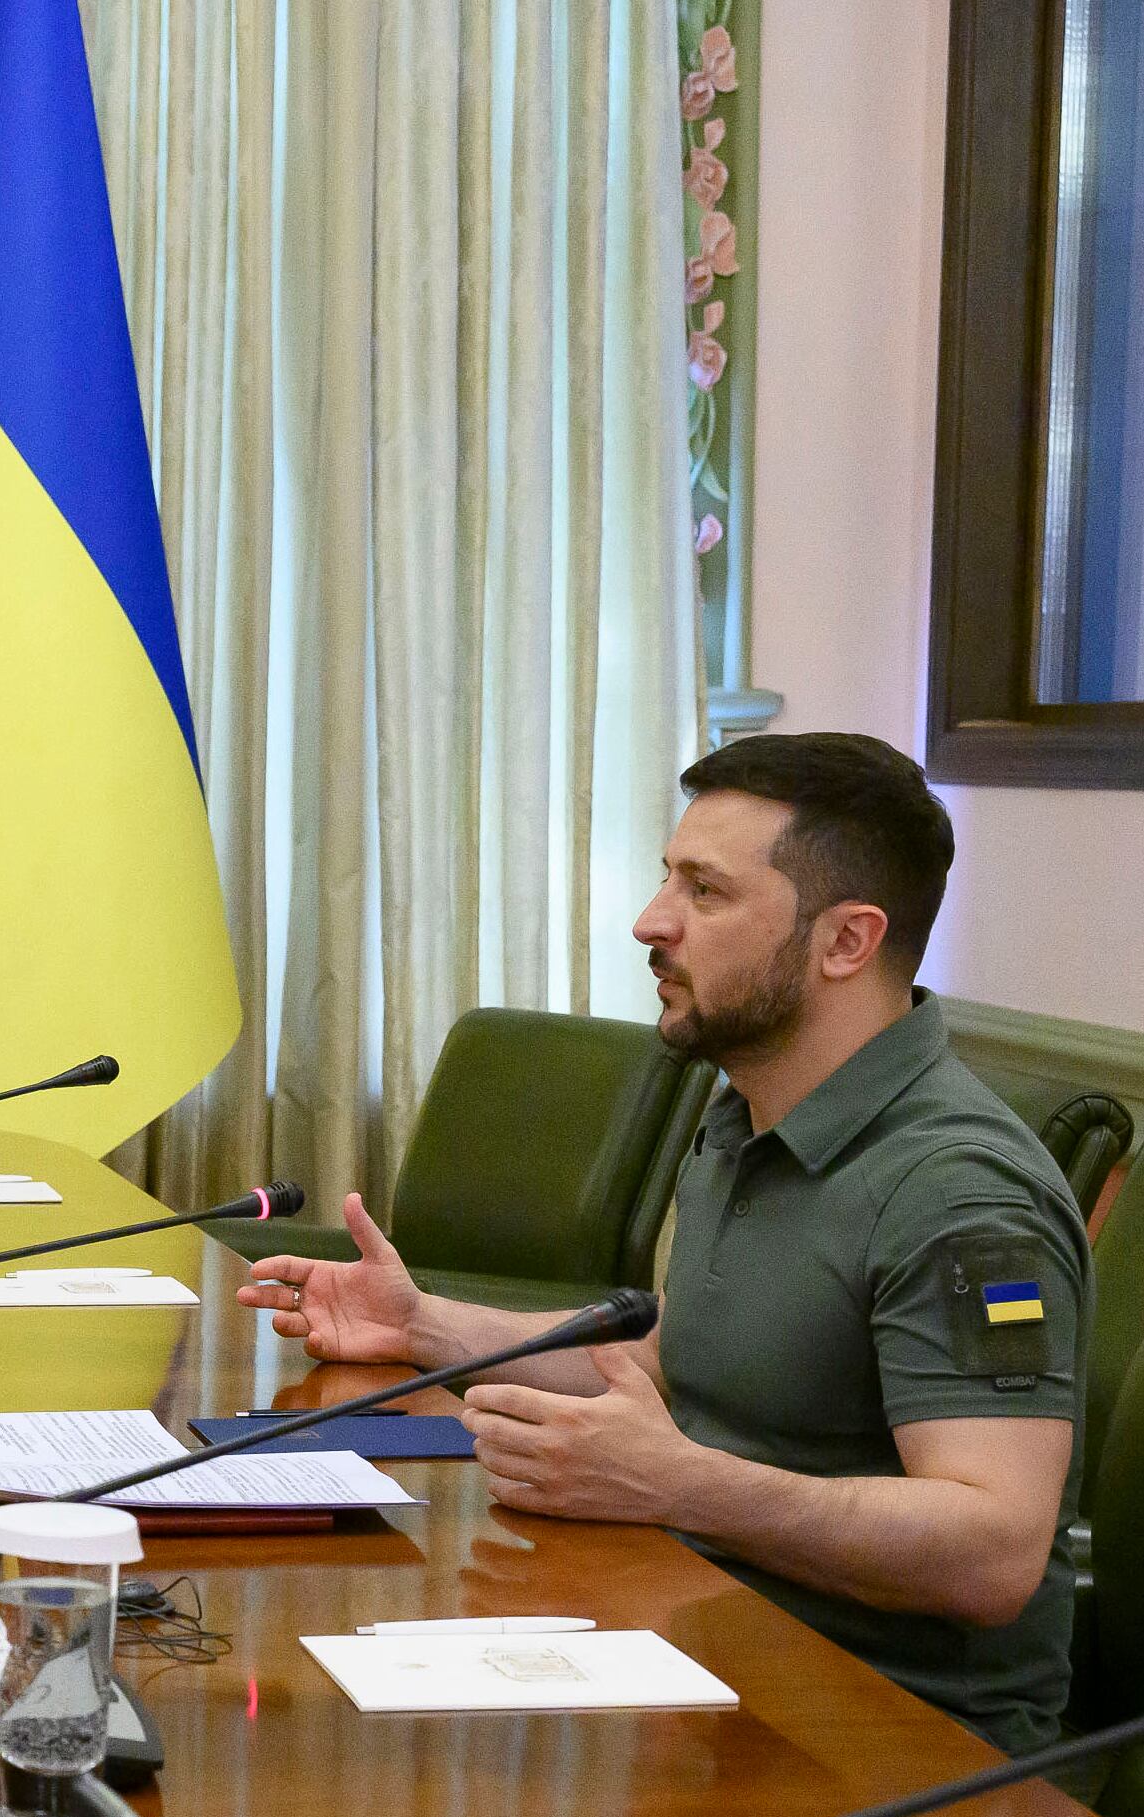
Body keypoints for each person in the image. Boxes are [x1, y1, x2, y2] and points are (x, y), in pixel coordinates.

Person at [241, 731, 1090, 1756]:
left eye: (704, 892)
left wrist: (679, 1483)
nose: (651, 922)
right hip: (700, 1641)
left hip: (888, 1739)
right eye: (665, 880)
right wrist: (426, 1326)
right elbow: (667, 1365)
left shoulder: (958, 1194)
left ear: (844, 942)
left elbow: (991, 1550)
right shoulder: (748, 1112)